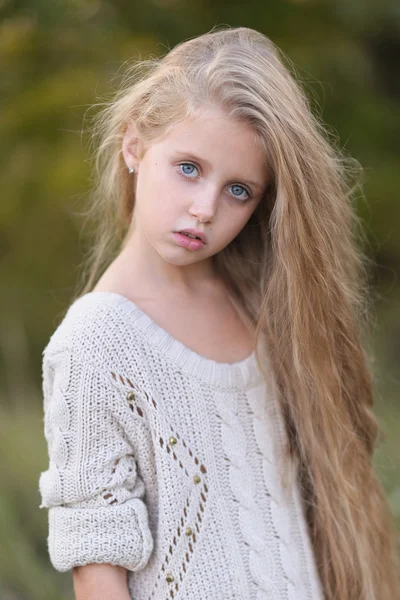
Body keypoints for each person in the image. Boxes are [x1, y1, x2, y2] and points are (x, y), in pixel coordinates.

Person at [38, 26, 400, 600]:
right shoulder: (95, 343)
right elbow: (98, 572)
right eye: (188, 168)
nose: (205, 209)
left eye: (238, 191)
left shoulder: (264, 308)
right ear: (134, 145)